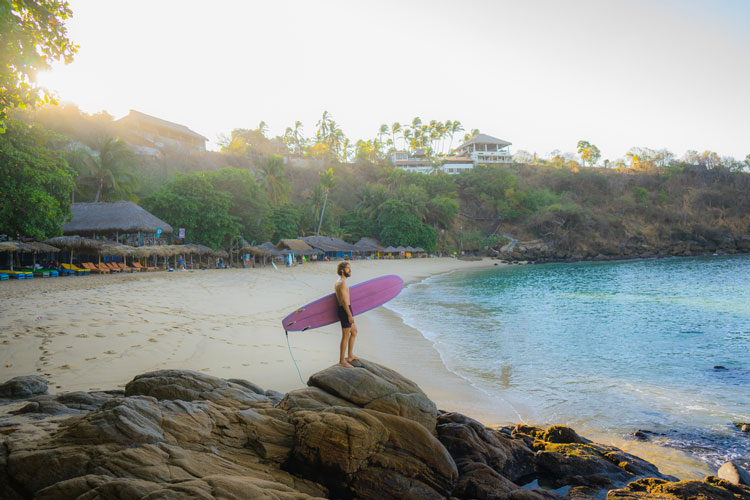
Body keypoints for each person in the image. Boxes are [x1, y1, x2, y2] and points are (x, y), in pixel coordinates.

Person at [334, 261, 358, 368]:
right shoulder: (342, 283)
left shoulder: (338, 281)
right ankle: (342, 360)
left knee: (354, 332)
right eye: (348, 268)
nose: (350, 270)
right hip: (345, 310)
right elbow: (343, 301)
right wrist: (349, 315)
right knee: (345, 335)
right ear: (342, 270)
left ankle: (350, 356)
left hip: (346, 309)